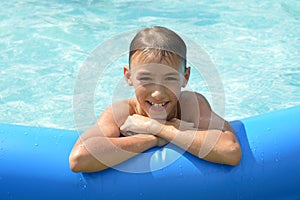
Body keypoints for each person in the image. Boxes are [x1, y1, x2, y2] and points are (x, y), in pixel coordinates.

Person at [69, 26, 242, 172]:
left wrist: (156, 127)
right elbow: (80, 159)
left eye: (170, 78)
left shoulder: (190, 105)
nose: (158, 94)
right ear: (128, 77)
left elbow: (230, 151)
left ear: (185, 77)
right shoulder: (122, 113)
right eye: (145, 79)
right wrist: (154, 139)